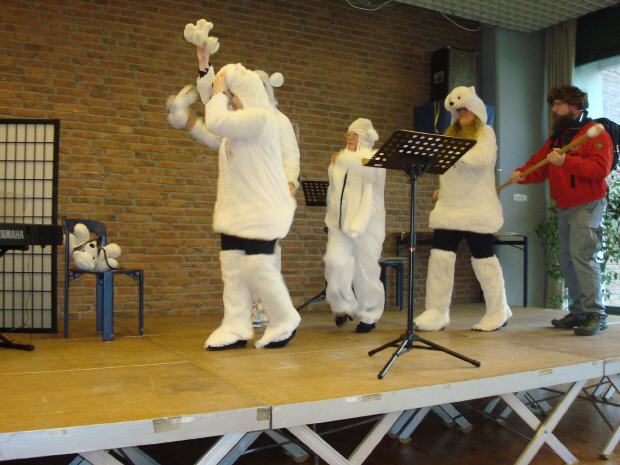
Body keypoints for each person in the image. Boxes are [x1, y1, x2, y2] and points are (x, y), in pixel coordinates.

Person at [169, 46, 300, 349]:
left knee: (259, 266)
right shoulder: (240, 122)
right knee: (233, 267)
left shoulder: (264, 118)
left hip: (263, 205)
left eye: (232, 93)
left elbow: (218, 120)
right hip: (236, 206)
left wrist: (291, 181)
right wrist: (187, 119)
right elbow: (216, 135)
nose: (229, 98)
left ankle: (283, 318)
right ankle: (236, 324)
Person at [510, 85, 613, 336]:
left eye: (559, 104)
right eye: (553, 105)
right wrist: (522, 174)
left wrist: (567, 160)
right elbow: (540, 164)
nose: (554, 110)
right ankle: (579, 312)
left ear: (575, 105)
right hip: (565, 206)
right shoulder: (558, 138)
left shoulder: (593, 133)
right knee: (567, 259)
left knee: (582, 256)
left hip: (588, 203)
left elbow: (600, 169)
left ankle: (596, 314)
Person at [414, 86, 511, 332]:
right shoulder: (450, 137)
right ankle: (436, 311)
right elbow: (450, 172)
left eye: (466, 110)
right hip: (450, 209)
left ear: (476, 111)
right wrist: (443, 190)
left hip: (477, 209)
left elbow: (481, 159)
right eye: (458, 111)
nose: (462, 114)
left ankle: (498, 310)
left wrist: (450, 152)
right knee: (440, 259)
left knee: (484, 260)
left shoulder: (486, 132)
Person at [323, 118, 386, 333]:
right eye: (348, 134)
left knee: (365, 270)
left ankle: (369, 315)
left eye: (355, 134)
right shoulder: (340, 159)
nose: (350, 138)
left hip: (367, 223)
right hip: (339, 223)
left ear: (365, 138)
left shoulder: (375, 157)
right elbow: (334, 191)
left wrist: (342, 159)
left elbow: (365, 169)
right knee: (334, 262)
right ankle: (343, 305)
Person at [250, 70, 300, 327]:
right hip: (247, 195)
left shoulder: (280, 120)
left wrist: (291, 181)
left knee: (267, 255)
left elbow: (291, 154)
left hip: (271, 194)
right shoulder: (245, 119)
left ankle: (269, 309)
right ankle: (252, 308)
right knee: (246, 256)